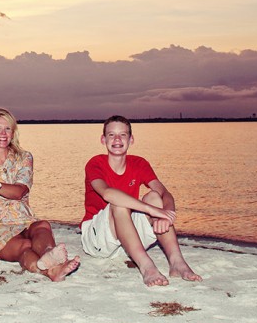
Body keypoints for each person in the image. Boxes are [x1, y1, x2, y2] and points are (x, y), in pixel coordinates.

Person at [81, 115, 201, 286]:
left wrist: (166, 214)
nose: (117, 139)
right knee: (119, 202)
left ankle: (177, 262)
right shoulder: (95, 163)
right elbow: (107, 194)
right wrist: (152, 211)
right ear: (103, 139)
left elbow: (164, 193)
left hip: (127, 240)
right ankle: (147, 268)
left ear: (131, 139)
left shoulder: (139, 163)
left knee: (154, 196)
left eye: (123, 135)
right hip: (97, 239)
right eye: (111, 135)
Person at [0, 108, 80, 281]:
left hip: (23, 219)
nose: (3, 133)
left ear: (13, 133)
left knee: (42, 225)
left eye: (8, 128)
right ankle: (50, 271)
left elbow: (20, 191)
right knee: (25, 246)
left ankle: (49, 255)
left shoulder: (24, 157)